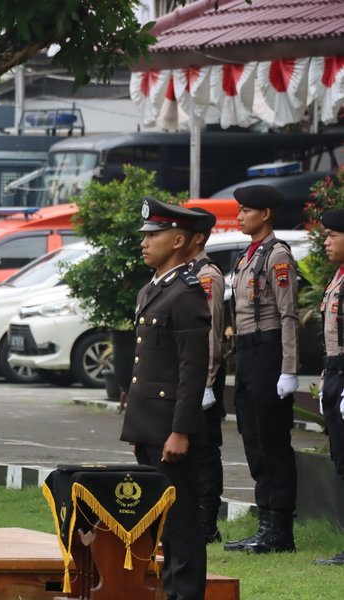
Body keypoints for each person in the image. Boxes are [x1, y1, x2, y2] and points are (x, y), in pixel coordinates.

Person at [120, 197, 210, 600]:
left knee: (182, 522)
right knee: (162, 521)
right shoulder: (152, 291)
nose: (145, 242)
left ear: (178, 241)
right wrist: (139, 427)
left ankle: (185, 594)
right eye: (145, 234)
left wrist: (180, 430)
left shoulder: (187, 294)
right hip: (150, 425)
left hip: (173, 431)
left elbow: (193, 370)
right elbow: (146, 366)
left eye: (153, 235)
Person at [224, 184, 299, 554]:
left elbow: (287, 314)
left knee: (272, 442)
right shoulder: (247, 255)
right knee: (252, 437)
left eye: (246, 210)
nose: (239, 216)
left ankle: (279, 529)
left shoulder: (277, 255)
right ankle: (265, 522)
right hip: (247, 352)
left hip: (269, 350)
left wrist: (288, 367)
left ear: (265, 214)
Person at [187, 207, 227, 544]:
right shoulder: (181, 272)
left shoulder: (206, 275)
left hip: (203, 378)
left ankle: (205, 522)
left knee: (205, 451)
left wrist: (208, 383)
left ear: (197, 237)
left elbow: (211, 333)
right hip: (184, 378)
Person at [313, 207, 344, 566]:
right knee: (341, 461)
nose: (326, 240)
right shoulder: (338, 277)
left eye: (332, 235)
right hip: (335, 373)